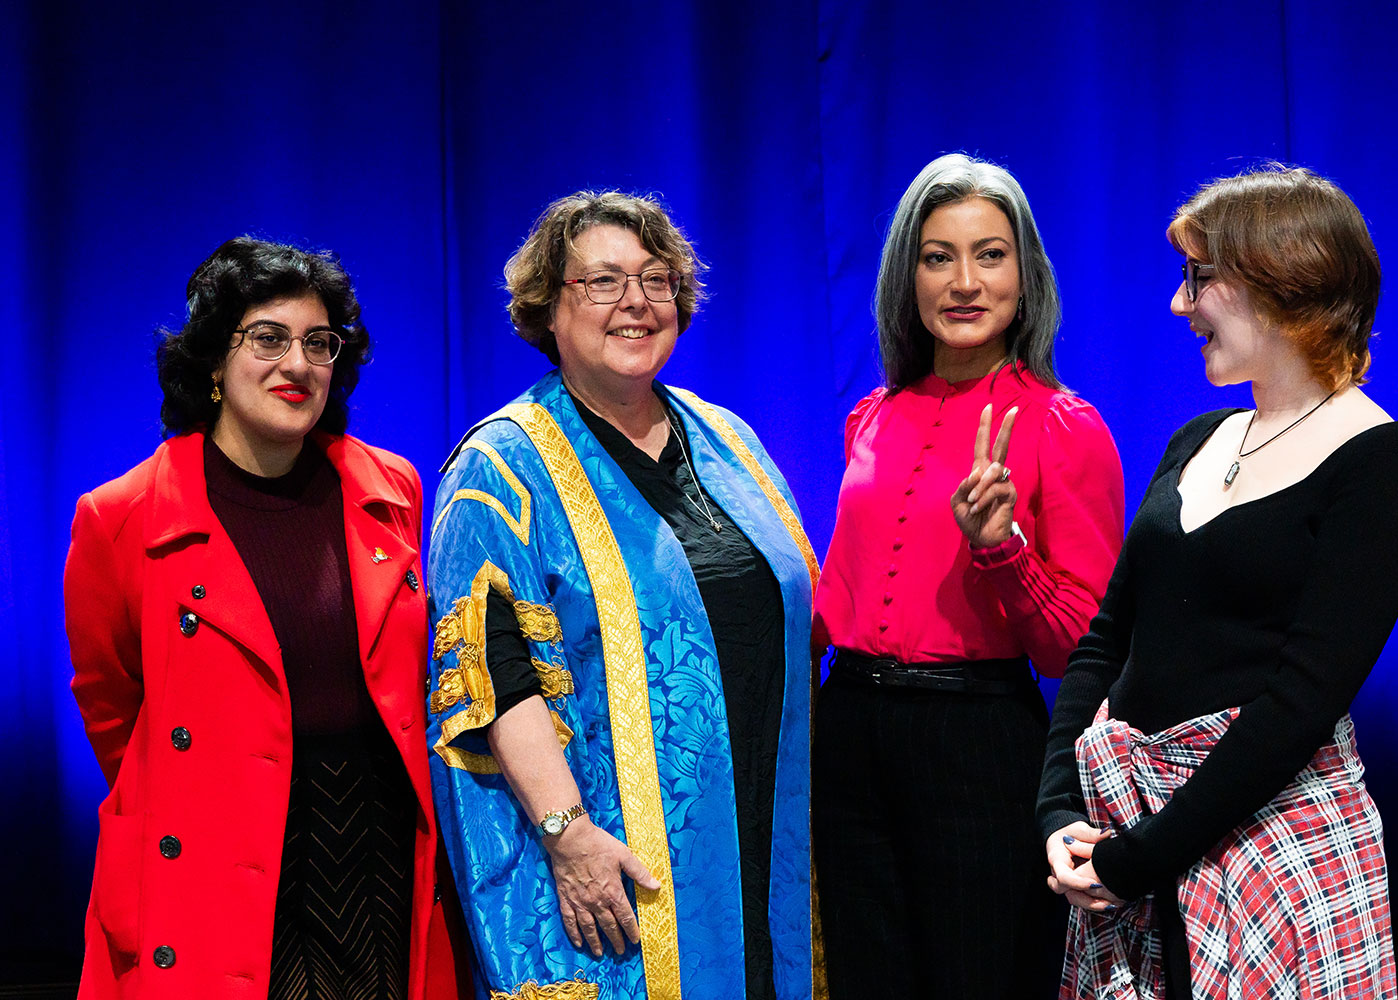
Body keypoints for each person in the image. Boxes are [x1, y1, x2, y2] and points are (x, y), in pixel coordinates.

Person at [1038, 166, 1398, 1000]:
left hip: (1268, 855)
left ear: (1285, 279)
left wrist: (1140, 856)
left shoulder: (1379, 467)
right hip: (1128, 837)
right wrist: (1061, 810)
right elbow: (1109, 638)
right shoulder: (1200, 437)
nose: (1182, 306)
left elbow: (1300, 703)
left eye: (1201, 277)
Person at [426, 190, 818, 999]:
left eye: (655, 278)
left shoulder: (728, 439)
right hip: (610, 862)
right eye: (602, 282)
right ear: (547, 308)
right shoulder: (501, 468)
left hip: (753, 830)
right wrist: (569, 840)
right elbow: (493, 677)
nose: (636, 301)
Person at [63, 237, 465, 1000]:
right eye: (268, 339)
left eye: (319, 343)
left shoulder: (393, 486)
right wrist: (204, 784)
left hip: (376, 844)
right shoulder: (120, 517)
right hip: (219, 851)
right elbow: (111, 705)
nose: (298, 364)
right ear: (214, 362)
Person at [811, 153, 1125, 997]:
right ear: (905, 274)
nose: (964, 280)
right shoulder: (870, 417)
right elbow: (831, 596)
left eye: (990, 254)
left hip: (978, 740)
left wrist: (1002, 549)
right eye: (937, 255)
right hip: (849, 727)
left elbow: (1076, 649)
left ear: (1026, 276)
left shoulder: (1065, 426)